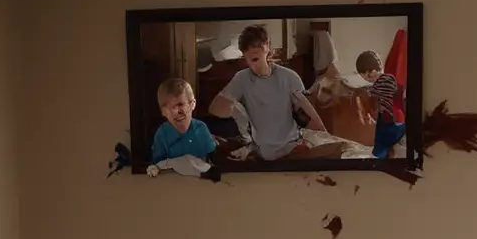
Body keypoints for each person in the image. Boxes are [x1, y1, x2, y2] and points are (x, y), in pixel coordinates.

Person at [210, 24, 332, 160]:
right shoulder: (242, 79)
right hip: (261, 153)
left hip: (292, 150)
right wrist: (232, 108)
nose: (253, 66)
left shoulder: (290, 78)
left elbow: (306, 118)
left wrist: (325, 138)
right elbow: (215, 109)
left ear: (267, 47)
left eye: (256, 59)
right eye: (248, 60)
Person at [149, 77, 217, 165]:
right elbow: (157, 164)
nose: (177, 112)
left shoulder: (201, 128)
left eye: (181, 104)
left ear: (192, 104)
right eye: (172, 107)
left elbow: (211, 158)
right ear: (164, 112)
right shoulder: (162, 134)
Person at [355, 49, 405, 158]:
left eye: (363, 76)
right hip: (390, 116)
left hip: (388, 118)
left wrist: (368, 93)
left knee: (382, 140)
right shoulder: (386, 80)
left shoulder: (382, 82)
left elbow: (378, 94)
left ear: (369, 73)